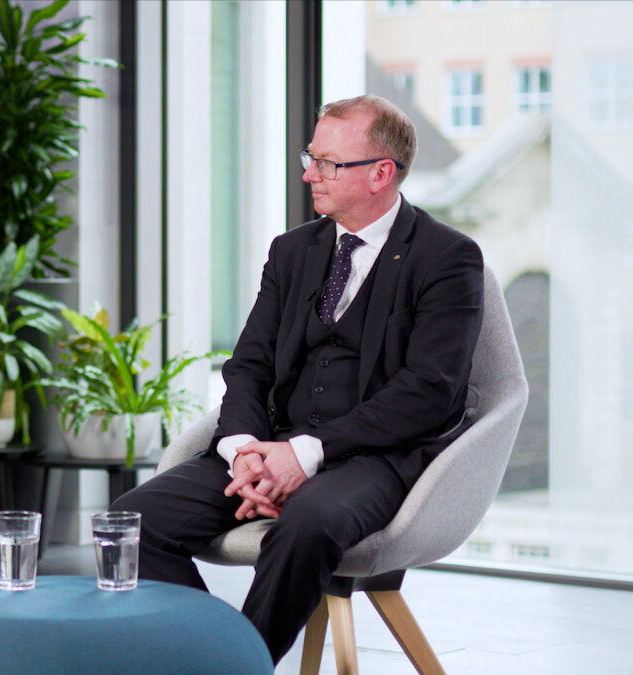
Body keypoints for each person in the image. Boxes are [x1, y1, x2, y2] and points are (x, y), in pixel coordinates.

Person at [112, 95, 484, 663]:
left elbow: (430, 391)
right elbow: (249, 365)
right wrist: (243, 452)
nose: (309, 172)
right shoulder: (292, 251)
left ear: (382, 173)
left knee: (305, 527)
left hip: (377, 459)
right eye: (310, 156)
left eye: (328, 162)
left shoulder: (447, 258)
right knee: (128, 524)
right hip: (269, 444)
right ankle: (214, 655)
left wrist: (307, 453)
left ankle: (241, 664)